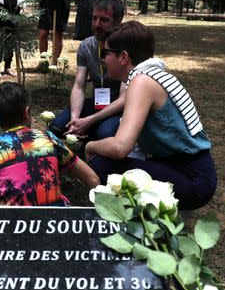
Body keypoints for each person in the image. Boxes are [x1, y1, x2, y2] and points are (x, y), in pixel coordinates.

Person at [85, 21, 217, 210]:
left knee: (102, 166)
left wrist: (90, 146)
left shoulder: (141, 82)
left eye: (105, 53)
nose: (103, 59)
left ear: (123, 57)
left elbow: (120, 147)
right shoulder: (152, 75)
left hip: (192, 178)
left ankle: (112, 221)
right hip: (190, 168)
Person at [0, 81, 99, 206]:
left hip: (12, 227)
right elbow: (92, 177)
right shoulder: (48, 138)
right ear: (27, 112)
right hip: (54, 221)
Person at [50, 0, 125, 142]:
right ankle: (86, 131)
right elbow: (79, 86)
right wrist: (75, 120)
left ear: (119, 21)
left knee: (104, 134)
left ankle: (92, 134)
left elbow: (124, 99)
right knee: (57, 127)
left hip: (118, 108)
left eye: (104, 20)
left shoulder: (127, 48)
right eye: (94, 18)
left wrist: (89, 120)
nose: (97, 24)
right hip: (97, 103)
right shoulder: (86, 46)